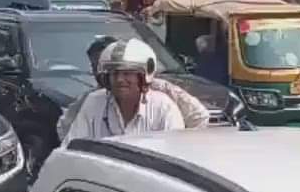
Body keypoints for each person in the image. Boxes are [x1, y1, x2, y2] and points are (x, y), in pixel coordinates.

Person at [57, 36, 209, 139]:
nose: (120, 79)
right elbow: (71, 143)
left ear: (142, 77)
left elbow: (198, 118)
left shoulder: (163, 106)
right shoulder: (93, 102)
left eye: (127, 73)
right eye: (114, 73)